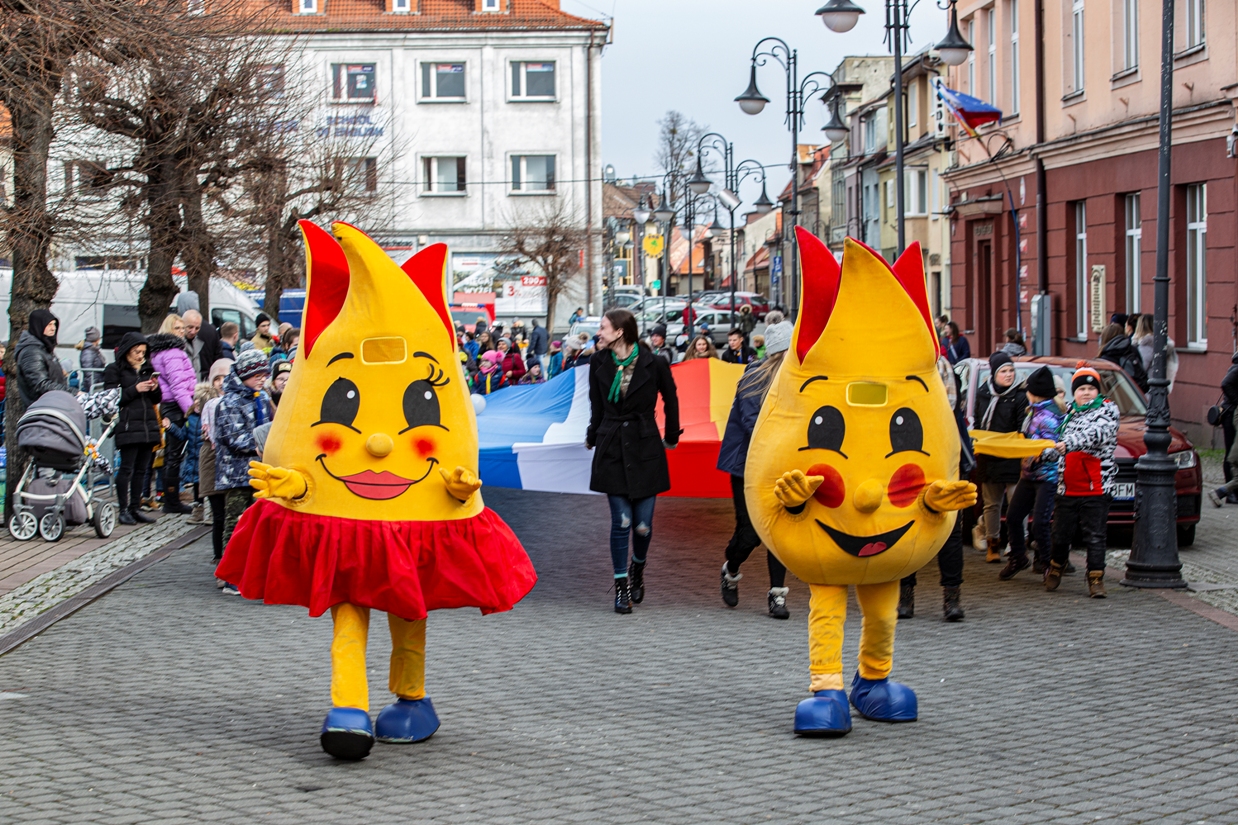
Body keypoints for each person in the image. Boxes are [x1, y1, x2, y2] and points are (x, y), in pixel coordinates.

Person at [586, 308, 680, 614]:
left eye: (603, 327)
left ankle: (638, 568)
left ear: (620, 331)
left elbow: (671, 396)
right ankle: (622, 586)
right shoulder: (598, 362)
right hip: (612, 446)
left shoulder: (655, 363)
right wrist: (592, 435)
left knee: (642, 526)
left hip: (644, 446)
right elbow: (596, 405)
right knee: (622, 522)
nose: (598, 332)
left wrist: (672, 434)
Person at [717, 321, 792, 619]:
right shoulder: (753, 378)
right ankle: (730, 569)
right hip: (747, 464)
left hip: (784, 464)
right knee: (749, 533)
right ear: (778, 353)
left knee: (781, 531)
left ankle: (778, 596)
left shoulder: (798, 378)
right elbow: (752, 422)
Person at [898, 357, 975, 622]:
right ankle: (905, 596)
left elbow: (948, 407)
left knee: (949, 531)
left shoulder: (937, 363)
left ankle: (951, 598)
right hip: (906, 458)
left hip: (942, 457)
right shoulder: (897, 359)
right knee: (907, 531)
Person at [1045, 364, 1120, 597]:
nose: (1086, 392)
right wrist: (1040, 453)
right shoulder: (1066, 413)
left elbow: (1095, 435)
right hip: (1067, 487)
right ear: (1073, 392)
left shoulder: (1108, 411)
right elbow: (1054, 444)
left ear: (1098, 391)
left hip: (1096, 488)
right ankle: (1056, 567)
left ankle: (1095, 578)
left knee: (1095, 536)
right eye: (1081, 388)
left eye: (1091, 388)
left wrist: (1068, 444)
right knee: (1060, 534)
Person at [214, 350, 274, 595]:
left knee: (259, 525)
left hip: (259, 472)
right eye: (257, 375)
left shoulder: (260, 398)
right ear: (244, 375)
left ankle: (255, 574)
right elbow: (233, 438)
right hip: (237, 474)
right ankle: (231, 577)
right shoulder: (229, 402)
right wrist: (261, 444)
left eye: (264, 375)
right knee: (236, 523)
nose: (262, 379)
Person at [999, 366, 1065, 579]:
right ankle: (1019, 557)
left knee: (1040, 523)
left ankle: (1048, 565)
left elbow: (1052, 449)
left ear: (1034, 392)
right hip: (1029, 475)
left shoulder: (1048, 416)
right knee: (1013, 516)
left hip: (1046, 478)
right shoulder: (1033, 410)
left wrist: (1036, 455)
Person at [973, 351, 1028, 561]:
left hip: (1013, 457)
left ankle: (1017, 543)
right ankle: (992, 544)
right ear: (994, 374)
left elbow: (1023, 427)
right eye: (1003, 371)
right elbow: (979, 425)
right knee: (991, 503)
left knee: (1016, 502)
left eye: (1011, 370)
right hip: (990, 456)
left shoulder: (1020, 396)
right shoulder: (983, 394)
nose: (1008, 375)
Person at [104, 332, 162, 525]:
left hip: (147, 425)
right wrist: (134, 389)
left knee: (142, 470)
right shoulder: (114, 369)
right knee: (126, 468)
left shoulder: (147, 368)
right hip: (128, 425)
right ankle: (122, 509)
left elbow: (157, 399)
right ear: (127, 351)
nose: (140, 356)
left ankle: (135, 507)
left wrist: (154, 388)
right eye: (137, 352)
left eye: (143, 352)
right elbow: (110, 398)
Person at [147, 314, 198, 514]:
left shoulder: (159, 352)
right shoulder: (173, 352)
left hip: (169, 404)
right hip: (177, 406)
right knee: (174, 456)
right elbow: (178, 386)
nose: (182, 331)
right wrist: (191, 411)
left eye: (182, 328)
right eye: (177, 328)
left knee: (172, 455)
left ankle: (170, 497)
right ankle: (172, 500)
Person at [200, 359, 231, 569]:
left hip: (230, 462)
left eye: (225, 378)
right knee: (219, 513)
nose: (221, 383)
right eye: (216, 379)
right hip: (213, 460)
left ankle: (228, 553)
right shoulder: (207, 404)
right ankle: (218, 554)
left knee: (232, 512)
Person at [15, 309, 68, 407]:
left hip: (52, 404)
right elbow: (41, 385)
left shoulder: (44, 348)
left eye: (54, 324)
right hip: (42, 409)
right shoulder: (31, 351)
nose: (53, 328)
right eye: (49, 325)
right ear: (39, 326)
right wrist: (72, 393)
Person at [1097, 322, 1148, 392]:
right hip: (1136, 395)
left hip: (1117, 397)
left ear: (1104, 338)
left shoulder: (1105, 356)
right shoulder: (1132, 349)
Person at [1132, 314, 1178, 391]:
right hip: (1160, 390)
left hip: (1146, 390)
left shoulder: (1146, 345)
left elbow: (1139, 369)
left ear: (1140, 328)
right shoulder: (1161, 345)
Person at [1217, 352, 1238, 504]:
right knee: (1231, 452)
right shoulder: (1236, 368)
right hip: (1230, 414)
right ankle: (1229, 492)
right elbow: (1225, 383)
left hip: (1232, 413)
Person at [180, 309, 221, 380]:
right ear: (182, 324)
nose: (193, 331)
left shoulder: (201, 339)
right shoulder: (175, 344)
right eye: (190, 327)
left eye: (197, 328)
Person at [78, 326, 105, 393]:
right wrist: (92, 389)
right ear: (96, 339)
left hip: (97, 384)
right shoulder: (88, 352)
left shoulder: (94, 350)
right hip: (93, 387)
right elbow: (88, 373)